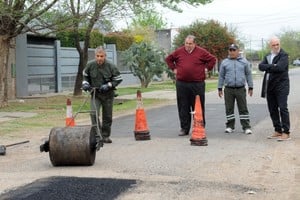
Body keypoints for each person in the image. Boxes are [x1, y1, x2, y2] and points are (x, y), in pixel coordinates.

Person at [165, 35, 217, 136]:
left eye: (190, 44)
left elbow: (212, 59)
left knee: (198, 106)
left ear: (194, 44)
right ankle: (184, 128)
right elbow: (168, 59)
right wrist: (174, 69)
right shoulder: (179, 52)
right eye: (186, 43)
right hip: (182, 83)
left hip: (197, 84)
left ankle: (199, 126)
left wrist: (206, 69)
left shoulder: (201, 52)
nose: (188, 45)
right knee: (183, 106)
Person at [82, 46, 122, 144]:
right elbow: (85, 76)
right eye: (97, 56)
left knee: (107, 116)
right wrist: (85, 84)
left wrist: (109, 85)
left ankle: (105, 136)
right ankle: (97, 135)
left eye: (101, 56)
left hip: (108, 95)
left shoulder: (111, 66)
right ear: (95, 56)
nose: (99, 58)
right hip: (95, 94)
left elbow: (118, 78)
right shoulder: (90, 65)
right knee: (93, 113)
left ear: (105, 56)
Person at [258, 37, 291, 141]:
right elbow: (260, 66)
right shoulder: (267, 56)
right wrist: (273, 65)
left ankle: (286, 132)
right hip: (269, 86)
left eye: (277, 44)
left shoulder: (284, 55)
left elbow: (280, 68)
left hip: (282, 86)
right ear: (270, 46)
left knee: (282, 108)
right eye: (274, 45)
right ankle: (278, 130)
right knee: (272, 109)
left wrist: (268, 66)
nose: (276, 46)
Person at [218, 44, 253, 134]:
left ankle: (246, 127)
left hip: (240, 89)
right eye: (230, 50)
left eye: (234, 50)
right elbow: (221, 76)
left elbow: (248, 74)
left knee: (243, 108)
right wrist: (219, 88)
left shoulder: (244, 62)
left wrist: (250, 86)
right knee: (229, 108)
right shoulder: (224, 62)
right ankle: (230, 126)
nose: (232, 52)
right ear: (228, 51)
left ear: (238, 51)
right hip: (228, 89)